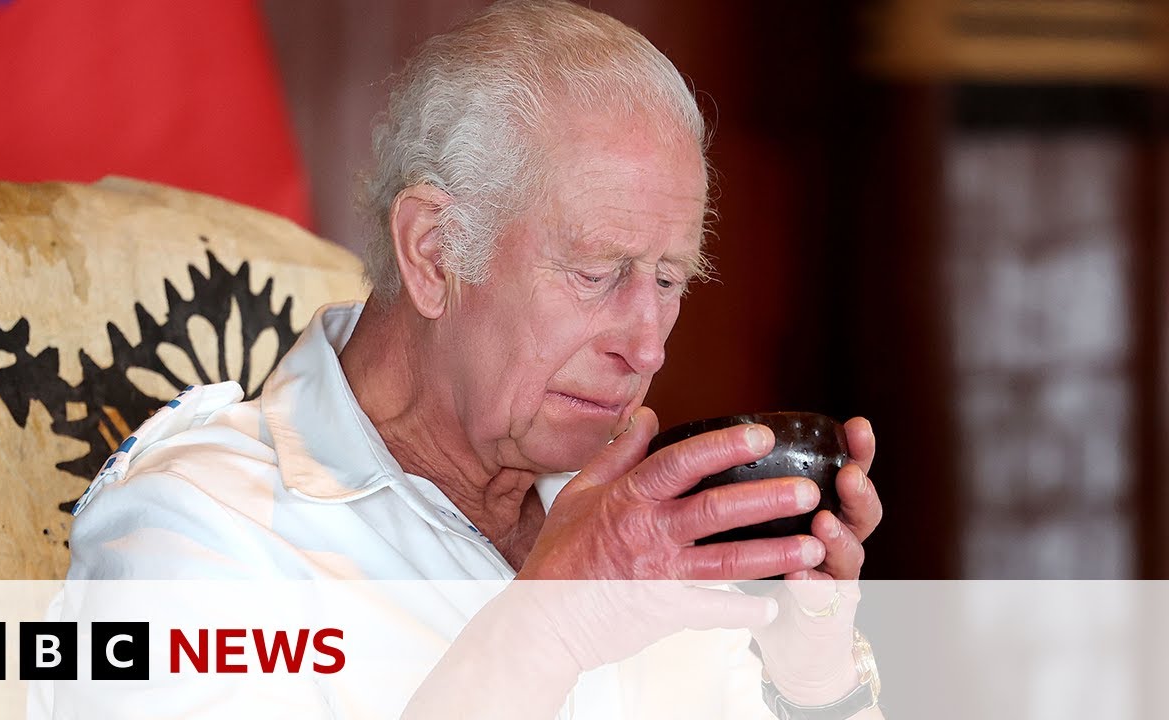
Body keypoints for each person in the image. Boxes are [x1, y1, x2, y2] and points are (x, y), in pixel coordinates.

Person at [59, 1, 884, 718]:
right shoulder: (199, 531)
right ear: (432, 251)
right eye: (597, 275)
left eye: (669, 279)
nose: (647, 345)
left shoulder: (638, 522)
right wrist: (547, 628)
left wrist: (811, 680)